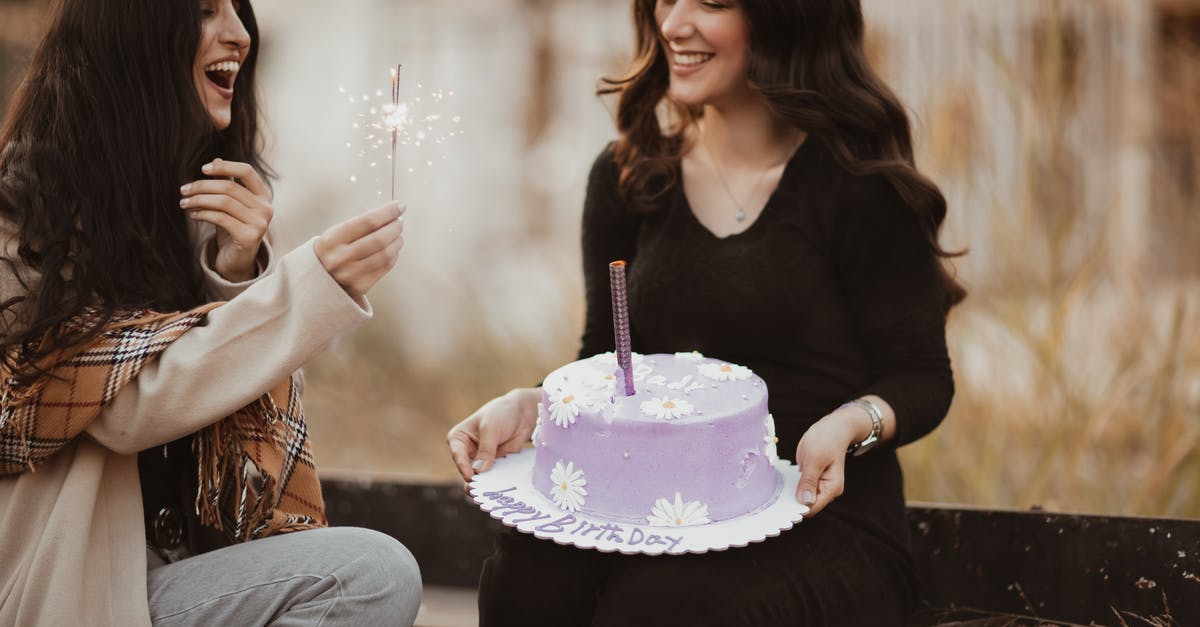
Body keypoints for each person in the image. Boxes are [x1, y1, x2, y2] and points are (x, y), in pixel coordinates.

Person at [447, 0, 965, 624]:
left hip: (816, 515)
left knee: (664, 608)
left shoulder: (860, 186)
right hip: (650, 507)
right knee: (525, 574)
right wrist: (536, 403)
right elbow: (606, 360)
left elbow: (921, 377)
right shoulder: (628, 177)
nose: (672, 24)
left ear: (784, 16)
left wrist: (851, 424)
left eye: (712, 2)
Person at [0, 0, 421, 624]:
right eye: (204, 12)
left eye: (238, 10)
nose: (240, 34)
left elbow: (232, 404)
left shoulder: (187, 213)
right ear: (132, 36)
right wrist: (305, 290)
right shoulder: (20, 220)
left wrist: (235, 277)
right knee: (367, 576)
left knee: (367, 573)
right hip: (80, 594)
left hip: (180, 569)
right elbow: (125, 408)